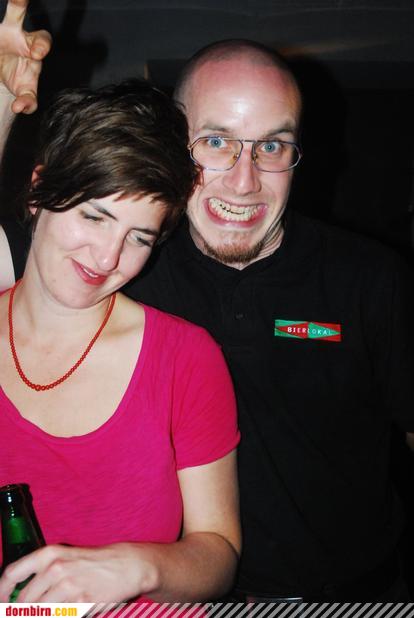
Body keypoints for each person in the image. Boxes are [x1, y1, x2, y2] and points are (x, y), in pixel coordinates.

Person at [1, 0, 414, 603]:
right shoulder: (125, 257)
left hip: (358, 595)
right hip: (196, 599)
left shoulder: (370, 278)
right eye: (216, 141)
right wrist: (3, 107)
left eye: (272, 147)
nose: (245, 181)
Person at [0, 66, 241, 604]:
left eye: (139, 238)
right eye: (95, 216)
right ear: (38, 191)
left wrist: (136, 568)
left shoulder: (185, 357)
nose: (107, 258)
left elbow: (219, 553)